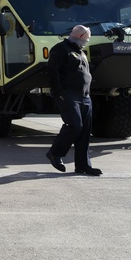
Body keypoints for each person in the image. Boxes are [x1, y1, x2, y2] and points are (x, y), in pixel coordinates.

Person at [45, 24, 102, 176]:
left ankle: (83, 165)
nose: (88, 41)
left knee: (84, 131)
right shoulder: (61, 49)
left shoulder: (81, 52)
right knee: (74, 125)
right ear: (82, 36)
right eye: (87, 38)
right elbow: (52, 71)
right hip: (68, 95)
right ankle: (55, 153)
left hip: (84, 97)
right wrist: (58, 92)